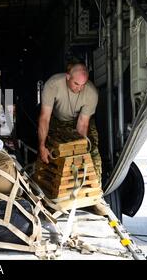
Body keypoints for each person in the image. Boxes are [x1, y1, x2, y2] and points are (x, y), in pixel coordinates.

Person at [37, 62, 106, 213]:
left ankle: (95, 197)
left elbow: (83, 124)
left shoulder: (91, 93)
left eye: (83, 84)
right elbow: (44, 118)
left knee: (92, 152)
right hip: (56, 121)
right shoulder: (53, 85)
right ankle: (50, 194)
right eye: (76, 84)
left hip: (78, 122)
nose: (79, 88)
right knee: (51, 151)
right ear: (67, 77)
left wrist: (79, 150)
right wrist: (42, 146)